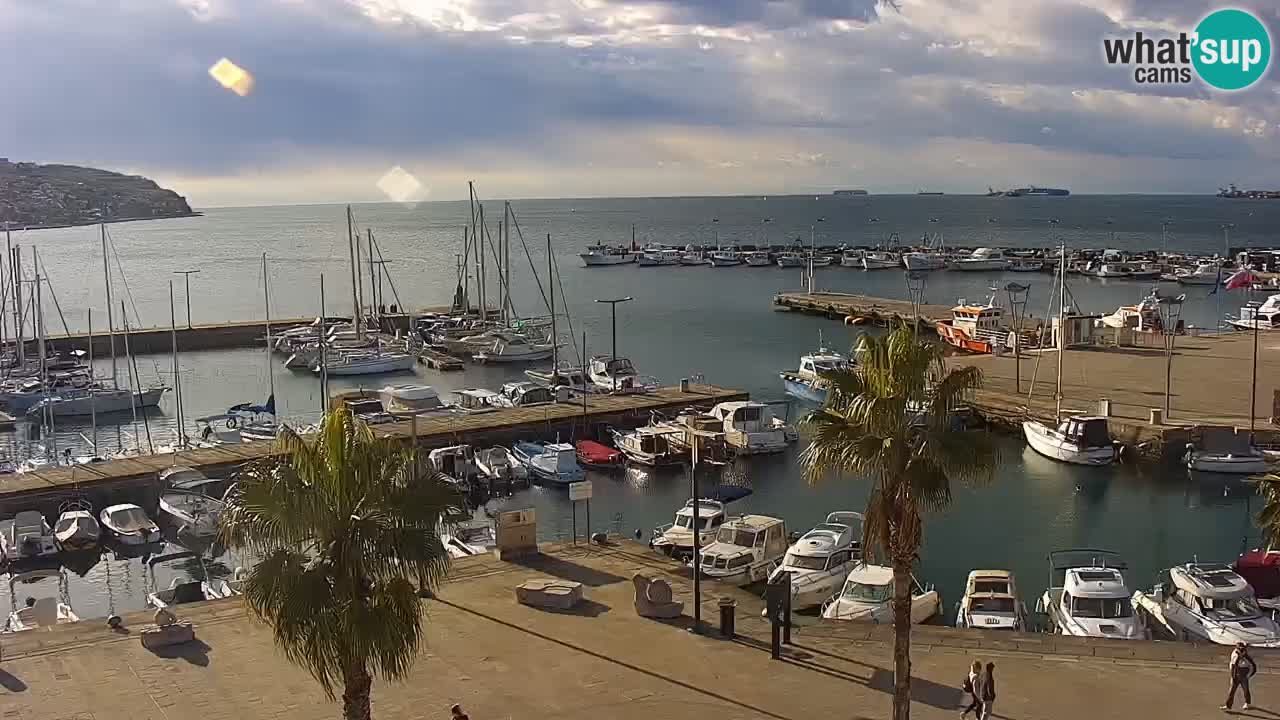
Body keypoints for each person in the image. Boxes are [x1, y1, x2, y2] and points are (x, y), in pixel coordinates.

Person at [1223, 642, 1257, 711]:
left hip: (1244, 675)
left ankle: (1247, 703)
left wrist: (1248, 675)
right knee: (1231, 691)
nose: (1239, 651)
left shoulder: (1247, 657)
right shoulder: (1234, 654)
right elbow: (1233, 664)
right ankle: (1228, 705)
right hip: (1235, 674)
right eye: (1238, 649)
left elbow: (1253, 666)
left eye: (1241, 649)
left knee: (1245, 690)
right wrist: (1232, 674)